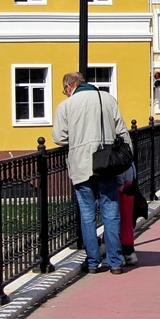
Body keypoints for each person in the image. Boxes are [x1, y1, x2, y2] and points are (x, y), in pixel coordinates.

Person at [53, 71, 130, 275]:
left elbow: (59, 137)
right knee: (111, 214)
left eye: (65, 90)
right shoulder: (107, 99)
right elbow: (122, 132)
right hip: (106, 164)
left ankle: (93, 262)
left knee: (87, 215)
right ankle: (115, 262)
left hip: (81, 165)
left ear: (70, 86)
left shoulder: (66, 106)